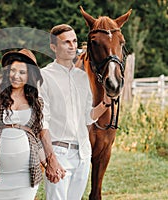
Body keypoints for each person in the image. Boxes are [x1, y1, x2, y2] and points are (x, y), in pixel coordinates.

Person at [39, 24, 112, 200]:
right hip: (59, 152)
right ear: (54, 47)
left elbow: (88, 117)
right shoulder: (44, 76)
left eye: (74, 41)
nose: (72, 46)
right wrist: (51, 158)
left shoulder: (82, 77)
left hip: (82, 155)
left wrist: (105, 103)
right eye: (66, 42)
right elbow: (43, 123)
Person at [0, 49, 46, 200]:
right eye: (13, 70)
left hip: (26, 172)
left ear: (30, 76)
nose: (16, 75)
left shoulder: (37, 102)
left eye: (22, 72)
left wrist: (47, 161)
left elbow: (37, 135)